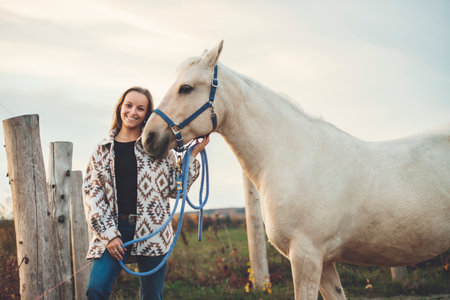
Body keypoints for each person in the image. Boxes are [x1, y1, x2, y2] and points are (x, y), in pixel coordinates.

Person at [83, 86, 209, 300]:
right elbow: (92, 193)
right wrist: (109, 235)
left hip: (154, 229)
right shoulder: (102, 150)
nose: (133, 112)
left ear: (147, 114)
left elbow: (174, 190)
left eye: (140, 108)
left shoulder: (158, 150)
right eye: (129, 105)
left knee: (152, 295)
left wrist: (192, 156)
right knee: (96, 289)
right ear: (120, 108)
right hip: (114, 229)